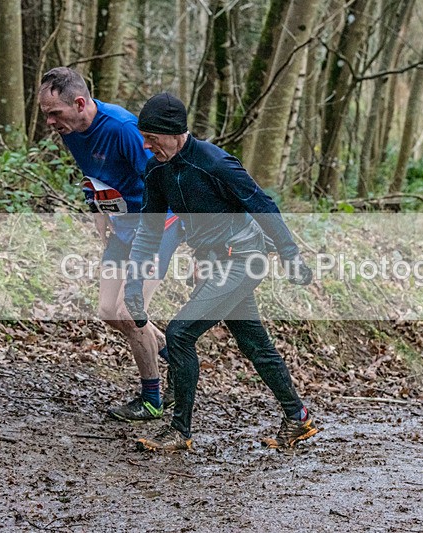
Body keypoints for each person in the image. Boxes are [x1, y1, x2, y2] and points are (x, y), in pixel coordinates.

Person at [122, 92, 318, 452]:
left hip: (243, 259)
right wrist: (133, 283)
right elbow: (149, 229)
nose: (147, 146)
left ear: (175, 132)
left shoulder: (215, 163)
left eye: (152, 138)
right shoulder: (156, 170)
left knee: (180, 333)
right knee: (253, 343)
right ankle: (298, 417)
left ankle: (179, 431)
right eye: (143, 138)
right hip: (215, 264)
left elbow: (263, 205)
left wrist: (290, 255)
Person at [38, 67, 185, 422]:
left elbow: (163, 177)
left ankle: (152, 399)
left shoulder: (121, 128)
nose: (50, 122)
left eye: (54, 113)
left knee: (129, 313)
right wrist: (98, 212)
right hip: (123, 228)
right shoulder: (71, 131)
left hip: (158, 226)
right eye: (46, 114)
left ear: (79, 103)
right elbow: (94, 175)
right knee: (108, 311)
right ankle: (180, 359)